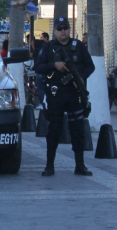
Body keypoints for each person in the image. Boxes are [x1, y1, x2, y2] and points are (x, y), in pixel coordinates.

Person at [34, 17, 95, 177]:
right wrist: (54, 65)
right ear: (54, 31)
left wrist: (81, 78)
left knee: (77, 130)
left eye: (65, 28)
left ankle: (80, 165)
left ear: (69, 29)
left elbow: (90, 66)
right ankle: (49, 166)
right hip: (56, 94)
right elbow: (38, 67)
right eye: (60, 29)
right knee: (54, 130)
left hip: (75, 94)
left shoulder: (78, 46)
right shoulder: (48, 47)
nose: (63, 32)